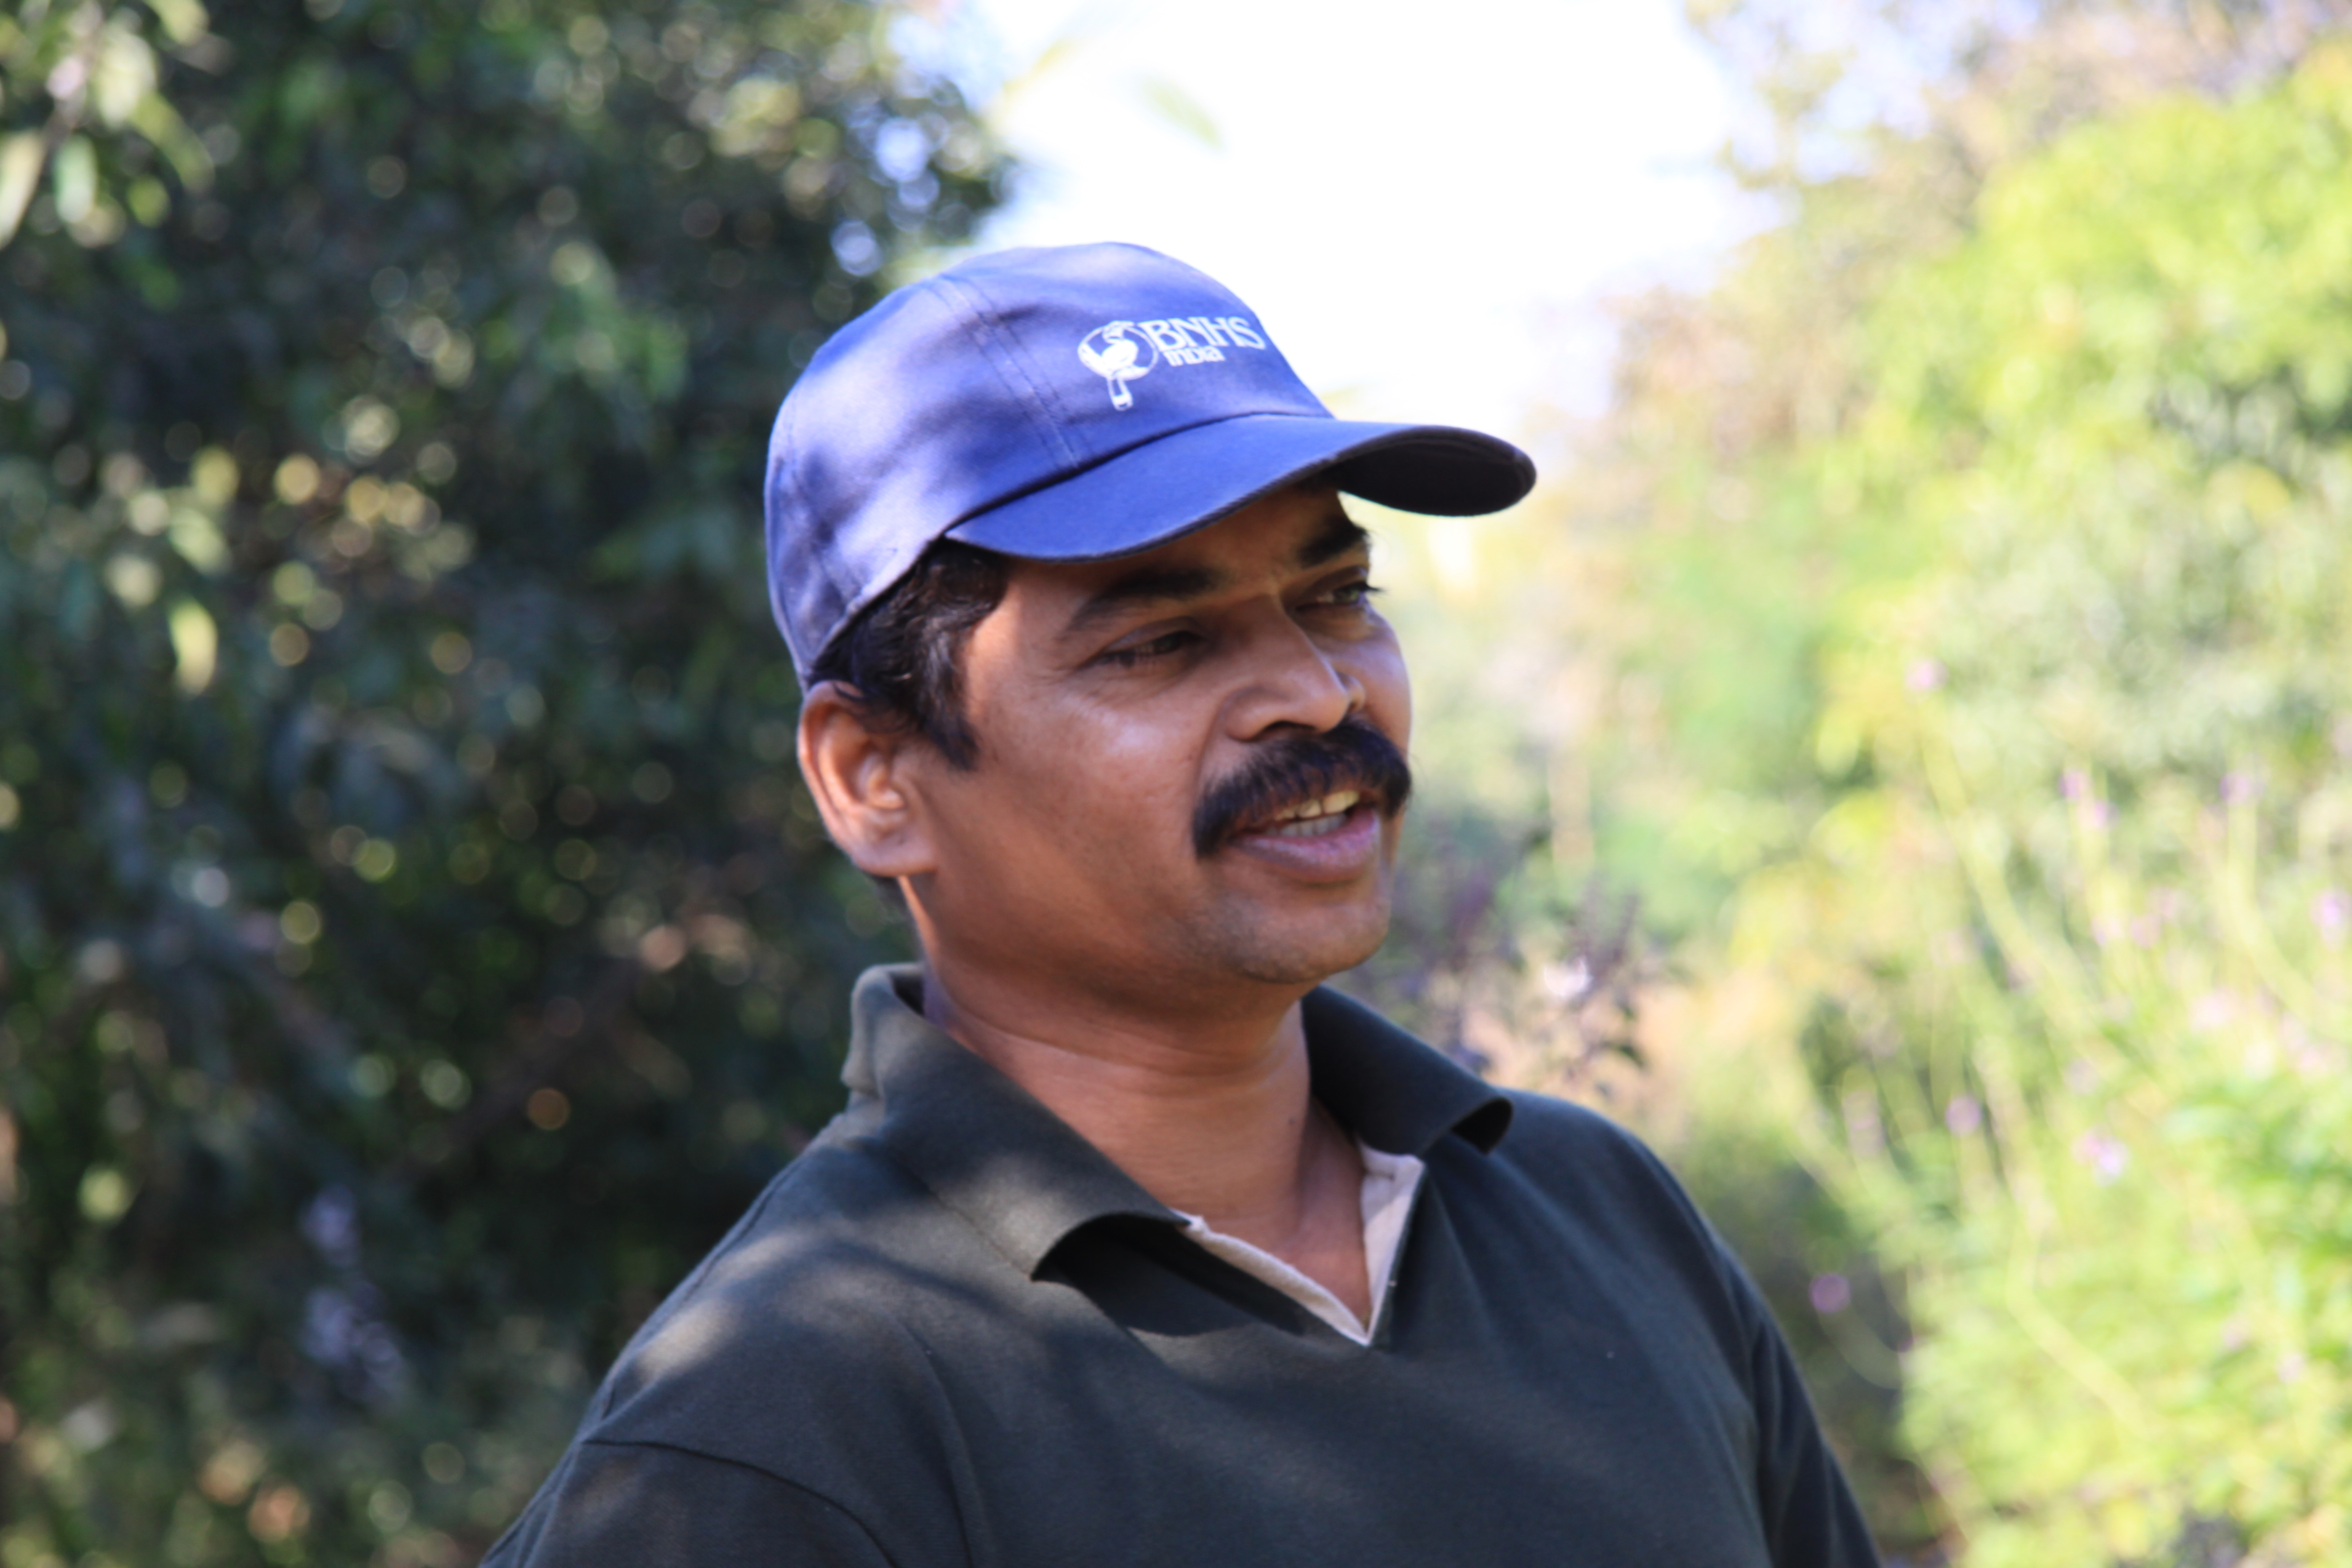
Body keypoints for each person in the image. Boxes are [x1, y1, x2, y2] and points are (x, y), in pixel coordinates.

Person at [484, 243, 1880, 1567]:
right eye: (1160, 641)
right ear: (874, 779)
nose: (1323, 693)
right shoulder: (776, 1432)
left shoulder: (1596, 1211)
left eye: (1337, 596)